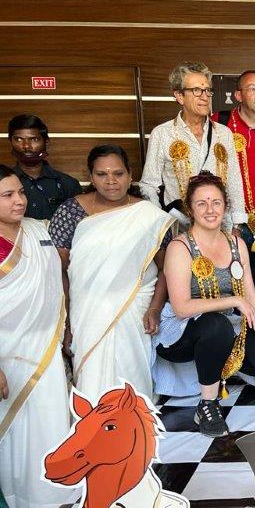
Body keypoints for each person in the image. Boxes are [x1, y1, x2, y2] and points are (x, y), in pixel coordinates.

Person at [157, 172, 255, 437]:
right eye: (201, 203)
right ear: (190, 209)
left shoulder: (236, 243)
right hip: (182, 332)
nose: (210, 209)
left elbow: (250, 293)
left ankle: (221, 368)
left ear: (225, 206)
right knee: (216, 325)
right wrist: (234, 300)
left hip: (228, 325)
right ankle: (208, 404)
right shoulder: (180, 247)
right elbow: (181, 307)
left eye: (216, 202)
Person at [49, 145, 173, 401]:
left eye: (118, 173)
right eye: (102, 174)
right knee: (91, 376)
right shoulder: (71, 212)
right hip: (86, 311)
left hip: (134, 309)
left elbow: (166, 268)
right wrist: (66, 323)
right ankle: (93, 419)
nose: (111, 181)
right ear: (91, 177)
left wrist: (155, 309)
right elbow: (58, 271)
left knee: (131, 373)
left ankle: (136, 416)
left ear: (130, 175)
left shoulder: (149, 215)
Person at [0, 165, 78, 508]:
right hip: (6, 354)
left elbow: (59, 280)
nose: (19, 200)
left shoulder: (38, 230)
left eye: (20, 192)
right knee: (14, 432)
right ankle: (16, 504)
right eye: (8, 195)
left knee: (49, 423)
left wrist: (67, 329)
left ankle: (50, 504)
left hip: (45, 346)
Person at [140, 62, 246, 230]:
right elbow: (149, 186)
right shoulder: (162, 133)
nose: (205, 97)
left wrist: (237, 226)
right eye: (196, 90)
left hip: (220, 230)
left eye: (207, 90)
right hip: (180, 230)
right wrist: (161, 224)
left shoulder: (223, 133)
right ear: (179, 96)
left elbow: (234, 182)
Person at [212, 70, 255, 271]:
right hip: (229, 215)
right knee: (229, 272)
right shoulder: (219, 122)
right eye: (252, 89)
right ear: (238, 95)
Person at [7, 114, 81, 220]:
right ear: (11, 142)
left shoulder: (68, 184)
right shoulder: (3, 183)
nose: (26, 146)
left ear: (46, 142)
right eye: (19, 139)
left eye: (34, 139)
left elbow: (77, 223)